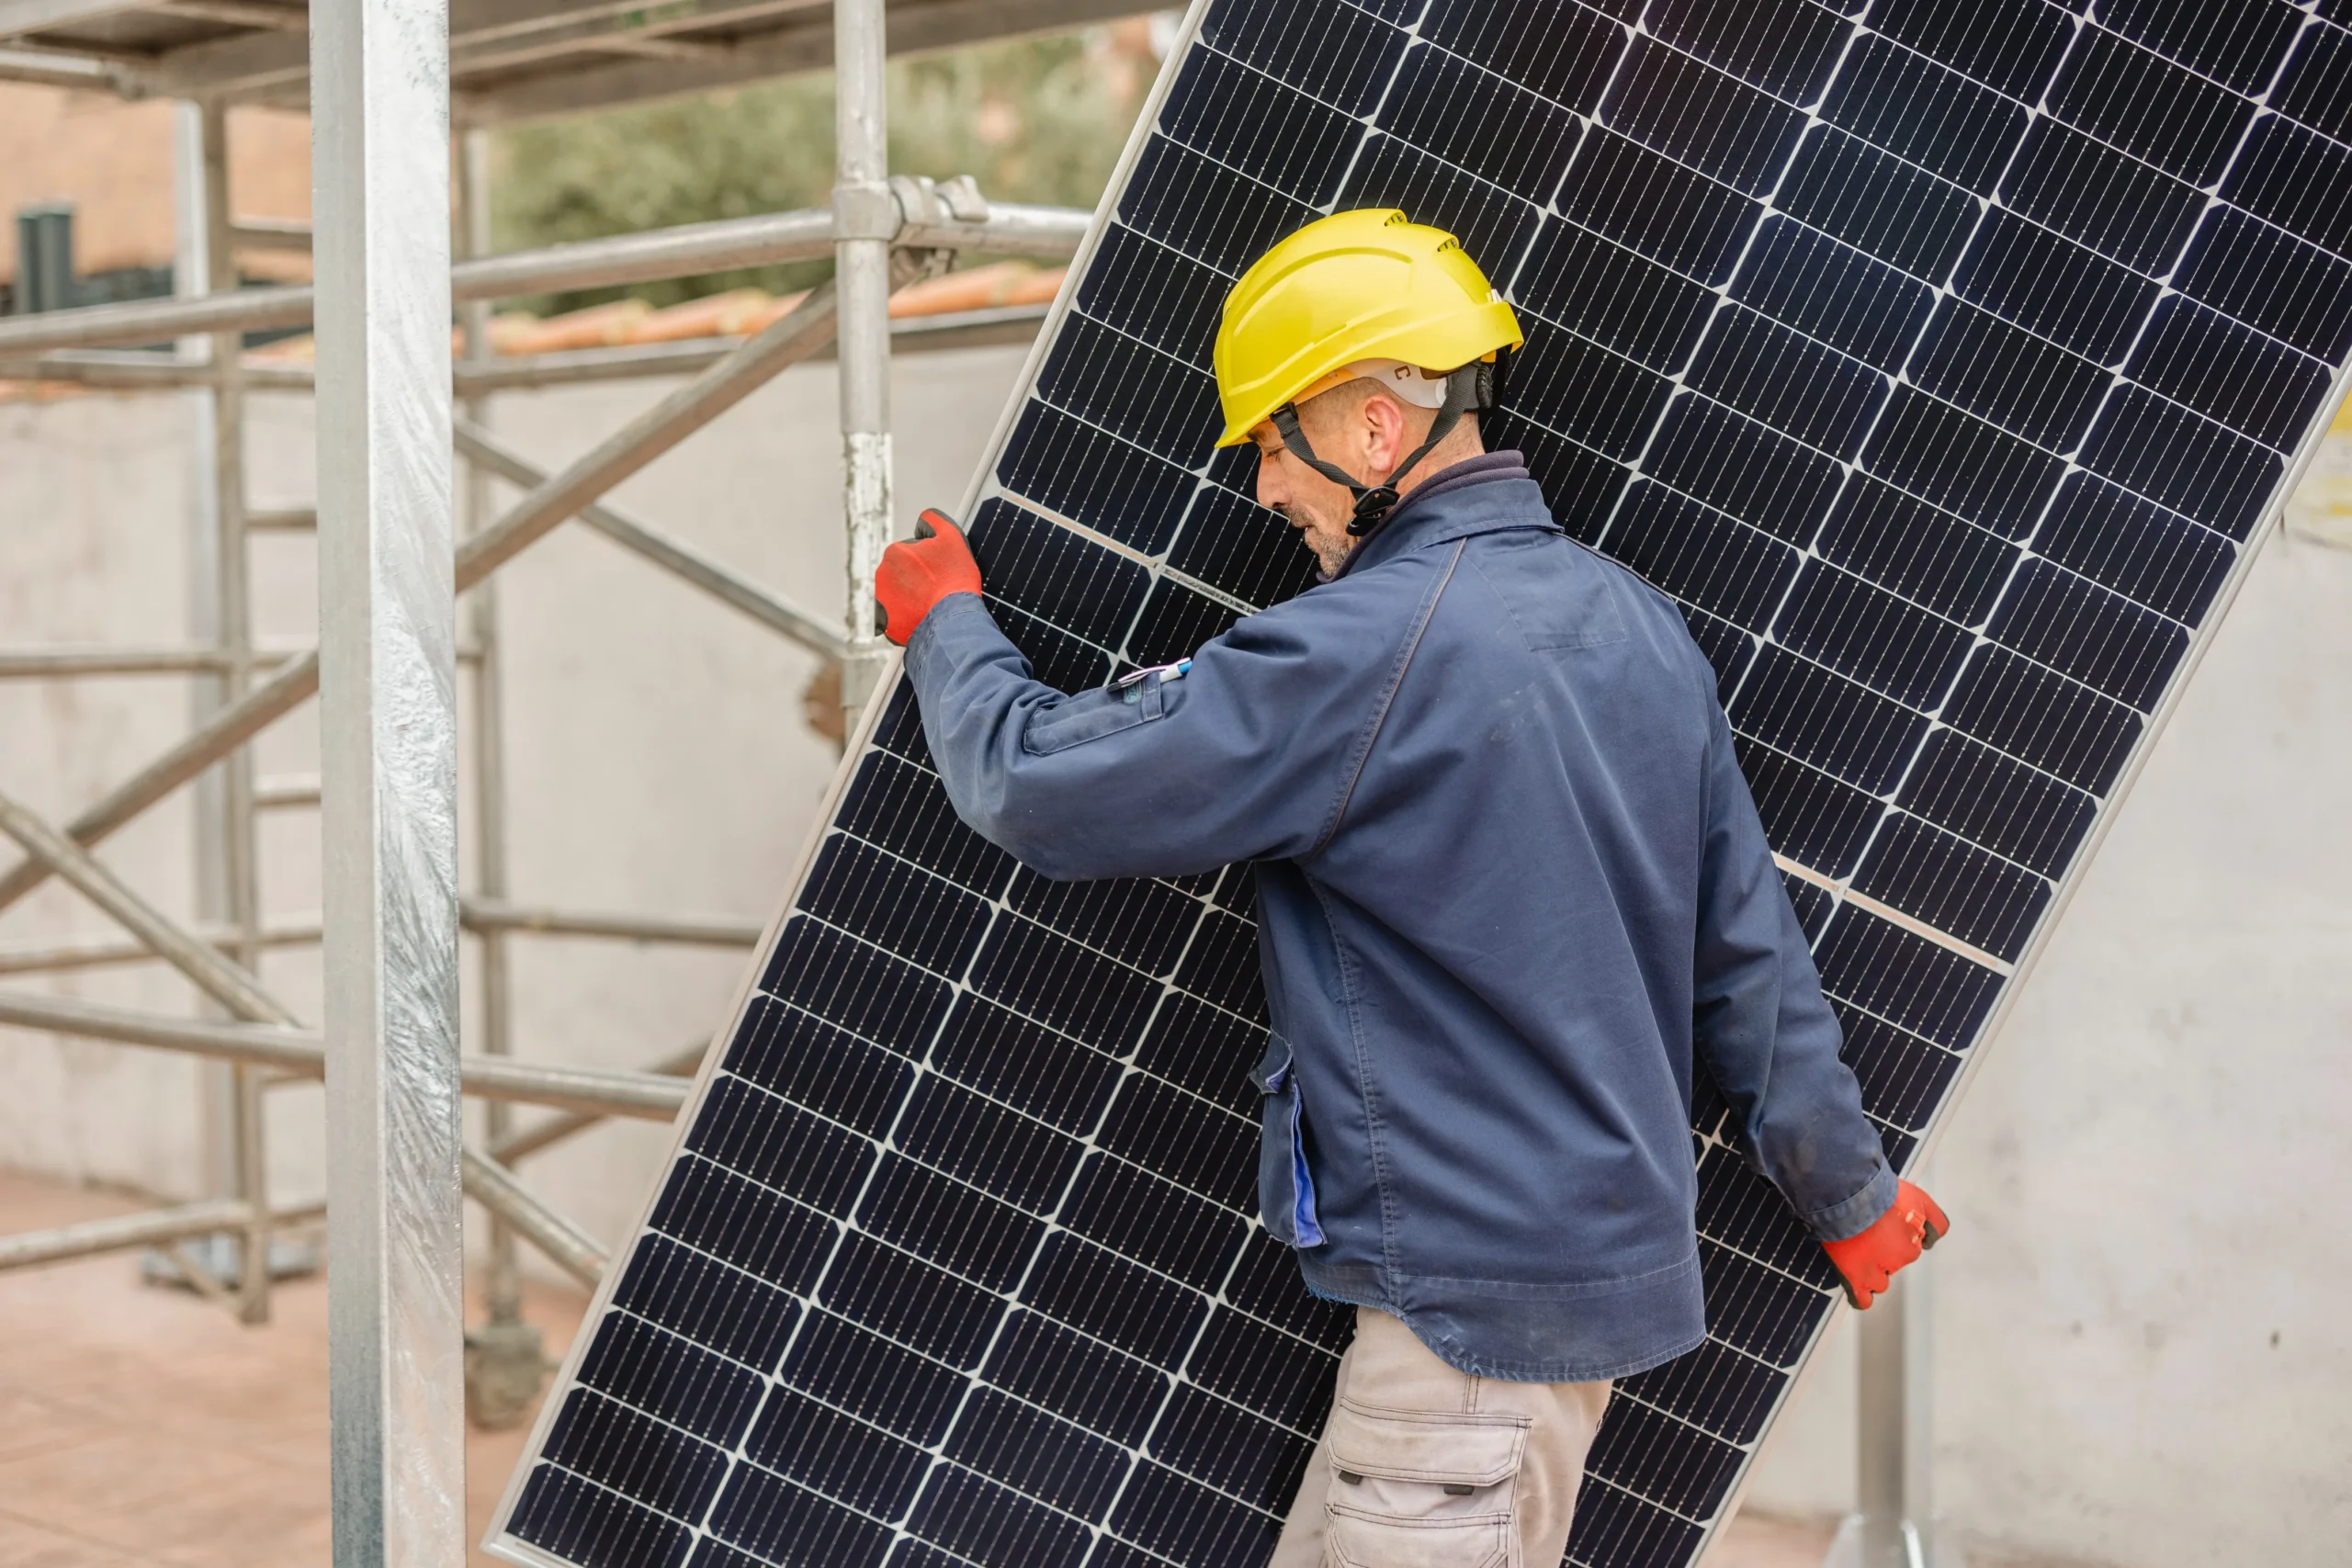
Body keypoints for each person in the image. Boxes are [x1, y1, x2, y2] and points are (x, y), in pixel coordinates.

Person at [875, 208, 1947, 1566]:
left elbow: (1035, 786)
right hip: (1514, 1339)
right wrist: (1846, 1196)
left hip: (1460, 1368)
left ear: (1374, 430)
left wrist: (946, 622)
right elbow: (1751, 958)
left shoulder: (1357, 652)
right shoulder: (1637, 625)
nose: (1265, 489)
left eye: (1272, 441)